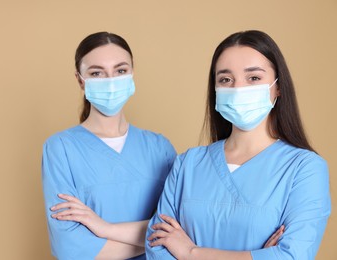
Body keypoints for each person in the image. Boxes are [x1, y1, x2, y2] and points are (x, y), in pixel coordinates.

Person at [145, 30, 331, 259]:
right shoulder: (188, 164)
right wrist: (257, 255)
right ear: (215, 90)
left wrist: (190, 252)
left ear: (278, 86)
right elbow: (157, 246)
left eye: (253, 78)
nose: (238, 89)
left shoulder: (304, 168)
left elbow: (292, 256)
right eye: (225, 79)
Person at [42, 32, 177, 259]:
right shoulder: (61, 149)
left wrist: (104, 228)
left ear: (132, 73)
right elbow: (71, 248)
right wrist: (157, 242)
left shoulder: (160, 148)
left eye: (120, 71)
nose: (111, 81)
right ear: (80, 80)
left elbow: (178, 226)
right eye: (97, 73)